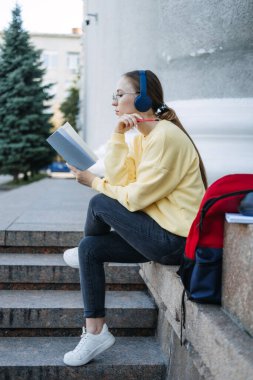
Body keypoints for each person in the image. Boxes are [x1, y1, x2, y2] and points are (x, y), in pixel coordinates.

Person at [63, 70, 207, 366]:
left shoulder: (166, 136)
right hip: (158, 232)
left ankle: (83, 247)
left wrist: (93, 181)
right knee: (91, 249)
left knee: (98, 201)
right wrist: (117, 135)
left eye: (119, 94)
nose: (114, 101)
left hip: (175, 241)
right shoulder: (143, 137)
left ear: (142, 98)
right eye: (113, 96)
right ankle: (95, 332)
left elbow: (135, 197)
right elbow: (121, 180)